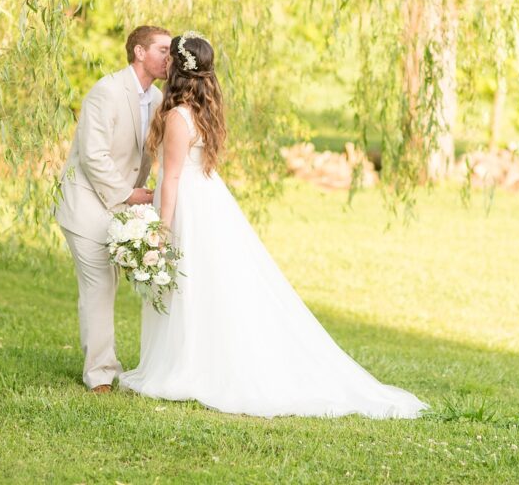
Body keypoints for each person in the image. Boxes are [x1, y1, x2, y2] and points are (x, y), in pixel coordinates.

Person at [118, 32, 427, 418]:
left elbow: (175, 177)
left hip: (190, 207)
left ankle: (192, 364)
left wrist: (160, 231)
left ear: (177, 69)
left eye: (169, 57)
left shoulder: (179, 116)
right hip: (206, 200)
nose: (163, 63)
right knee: (202, 284)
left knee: (193, 282)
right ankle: (196, 357)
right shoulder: (199, 110)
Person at [55, 26, 171, 393]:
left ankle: (116, 365)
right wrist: (129, 194)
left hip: (120, 207)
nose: (171, 57)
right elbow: (93, 155)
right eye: (163, 49)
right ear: (139, 52)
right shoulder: (105, 92)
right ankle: (100, 375)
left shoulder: (156, 100)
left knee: (115, 282)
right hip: (86, 201)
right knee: (100, 285)